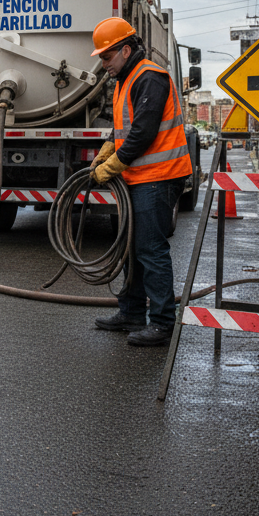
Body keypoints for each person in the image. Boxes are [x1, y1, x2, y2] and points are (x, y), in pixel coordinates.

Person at [87, 19, 193, 347]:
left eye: (107, 57)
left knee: (150, 248)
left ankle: (162, 322)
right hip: (140, 178)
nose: (104, 65)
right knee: (133, 248)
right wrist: (107, 149)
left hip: (158, 178)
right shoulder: (126, 79)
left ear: (126, 50)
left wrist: (114, 165)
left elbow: (143, 132)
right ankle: (131, 312)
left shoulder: (150, 77)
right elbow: (124, 126)